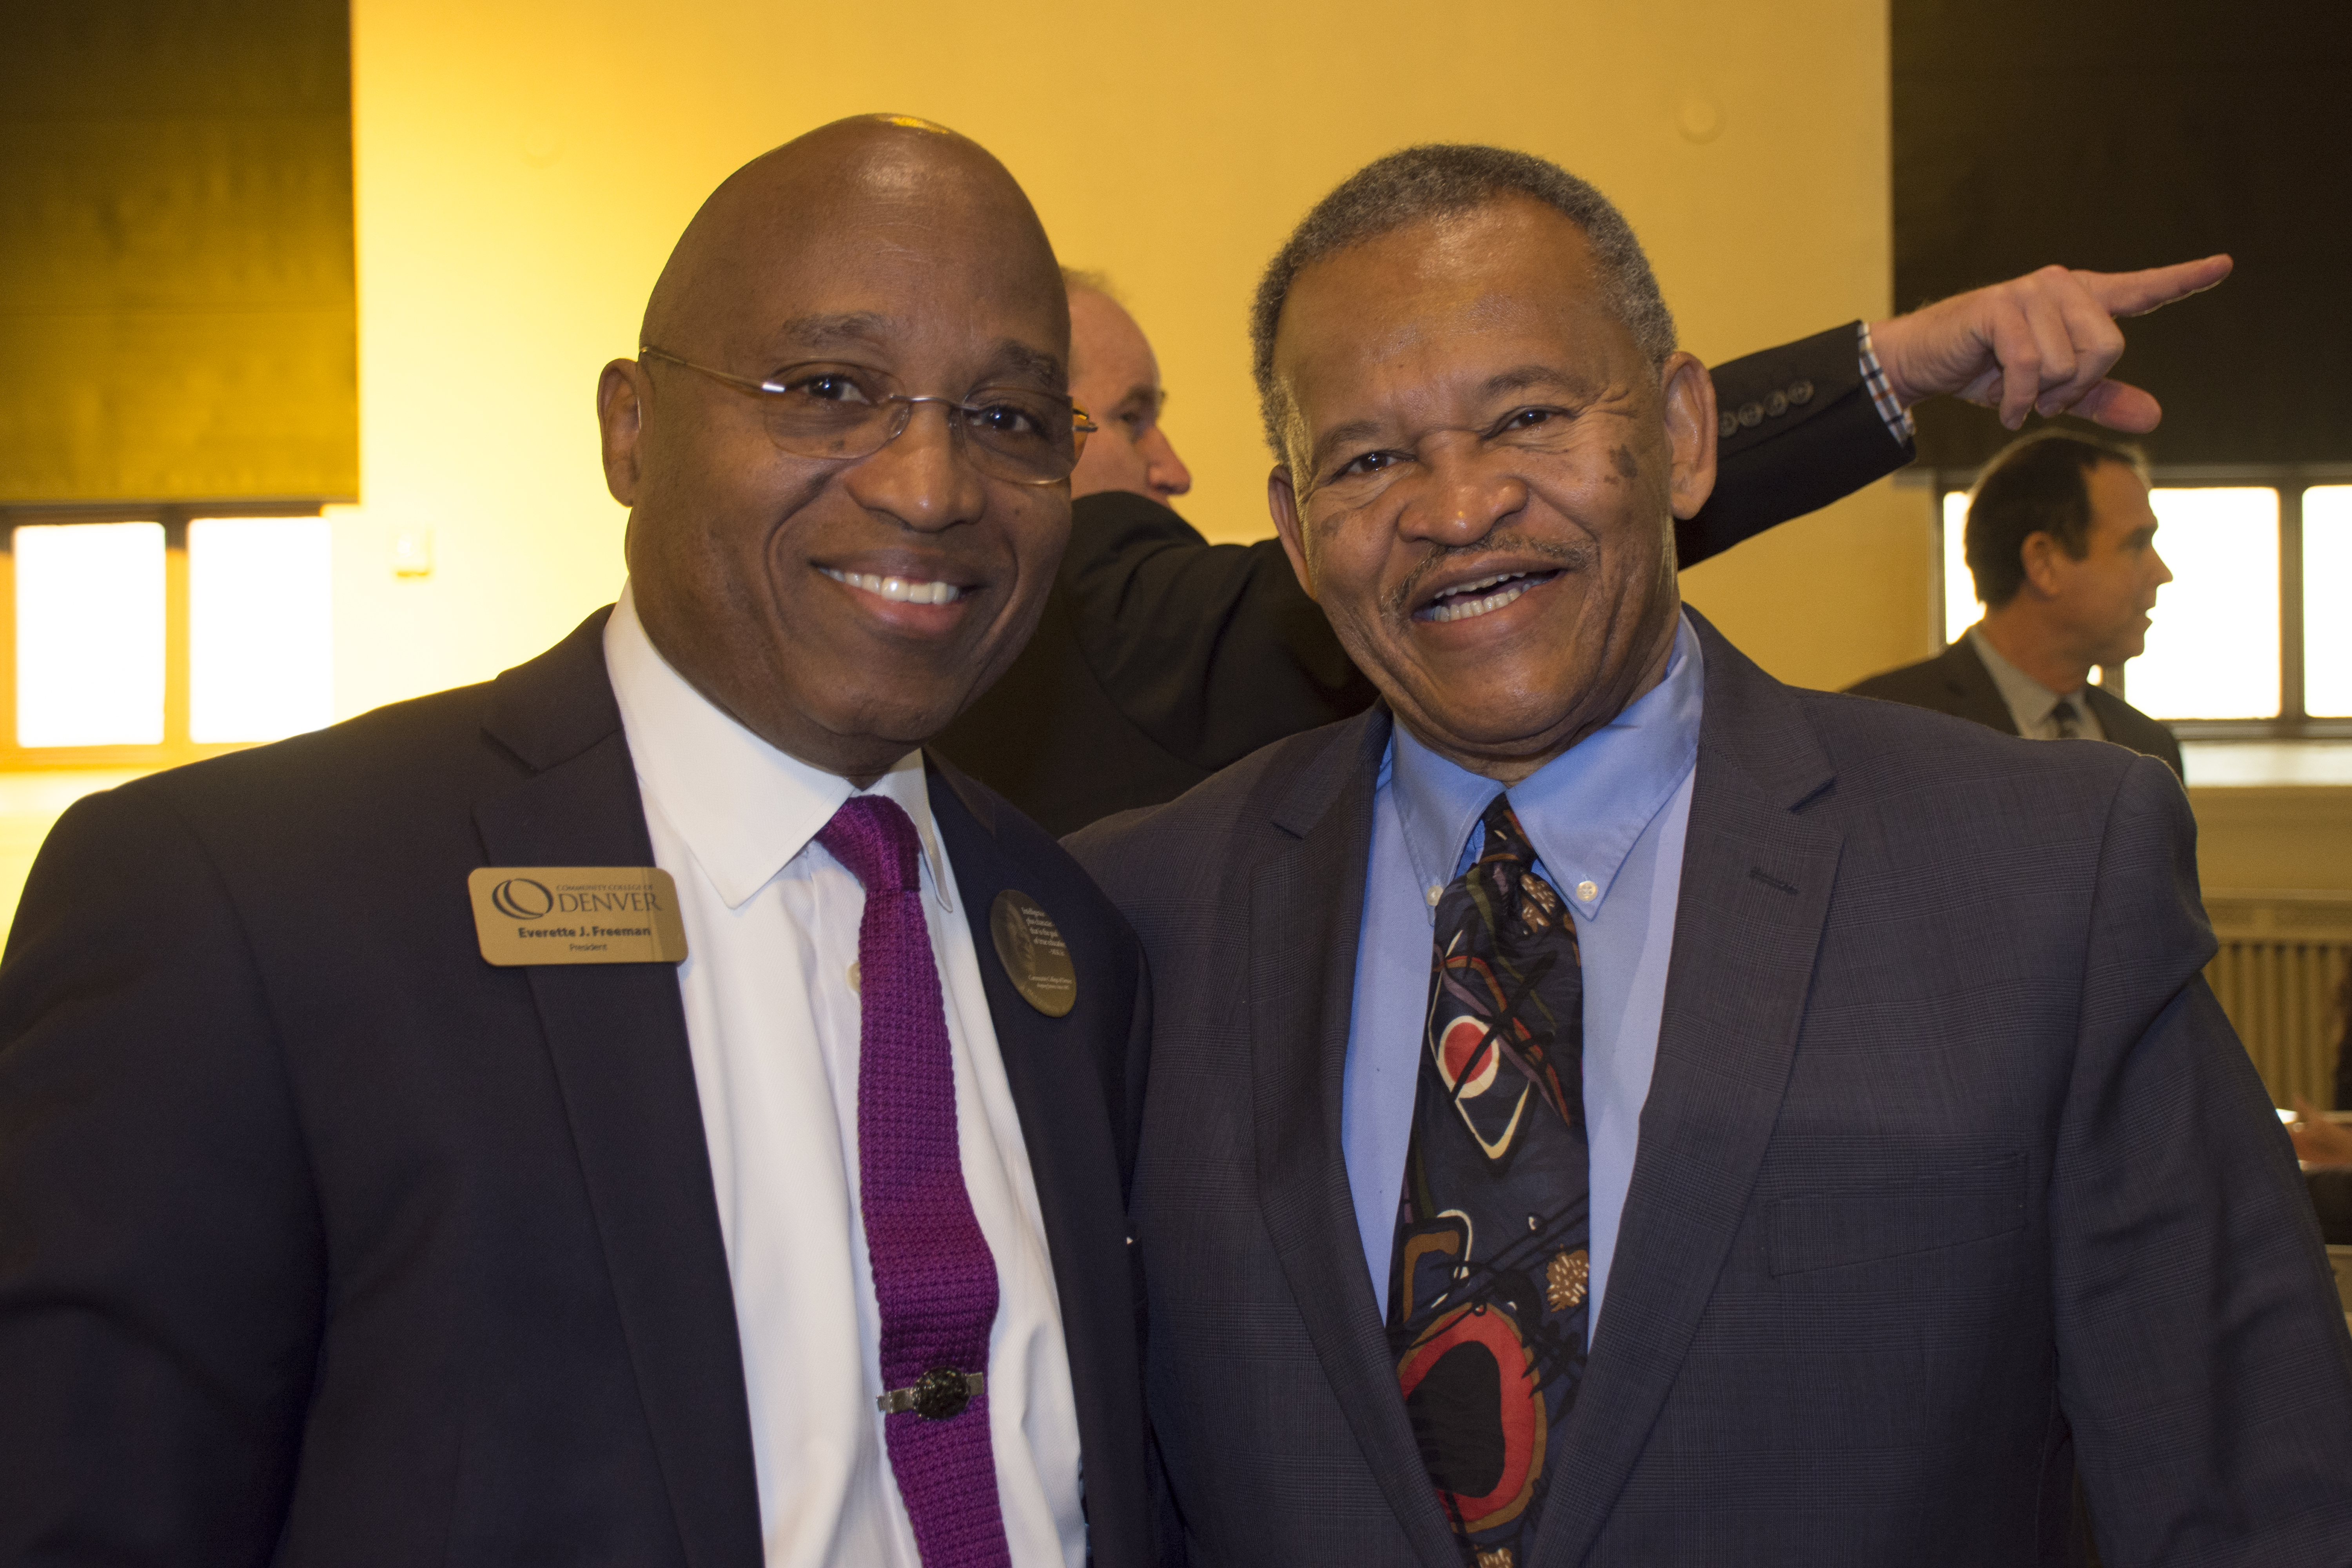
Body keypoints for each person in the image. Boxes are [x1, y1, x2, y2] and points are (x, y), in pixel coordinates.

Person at [1069, 143, 2352, 1566]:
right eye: (1368, 457)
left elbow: (2241, 1490)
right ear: (1298, 528)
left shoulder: (2044, 873)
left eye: (1528, 416)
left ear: (1683, 433)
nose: (1454, 506)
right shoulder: (1145, 917)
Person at [0, 118, 1162, 1568]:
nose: (929, 488)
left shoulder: (1067, 937)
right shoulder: (239, 907)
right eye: (826, 388)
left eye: (1007, 418)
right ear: (630, 429)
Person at [936, 265, 2221, 833]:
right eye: (1137, 418)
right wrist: (1894, 366)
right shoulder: (1093, 592)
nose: (1171, 471)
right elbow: (1476, 538)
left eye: (1525, 419)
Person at [1847, 429, 2183, 775]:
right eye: (2137, 544)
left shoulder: (2151, 747)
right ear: (2043, 564)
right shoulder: (1878, 729)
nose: (2162, 573)